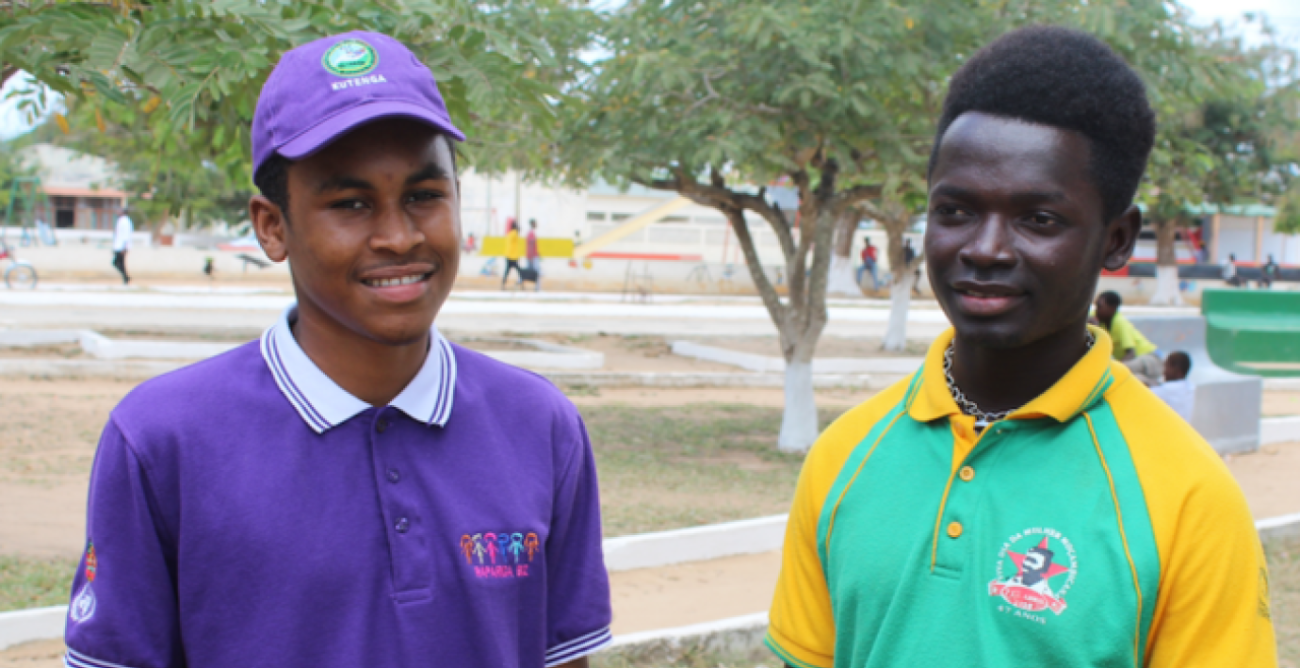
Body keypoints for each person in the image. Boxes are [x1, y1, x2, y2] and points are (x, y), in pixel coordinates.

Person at [64, 32, 611, 668]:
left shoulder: (539, 424)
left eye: (424, 196)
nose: (399, 237)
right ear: (272, 226)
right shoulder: (162, 439)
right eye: (351, 204)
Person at [765, 26, 1275, 668]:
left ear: (1117, 239)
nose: (985, 249)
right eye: (956, 211)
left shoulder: (1190, 498)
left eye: (1039, 219)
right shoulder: (845, 455)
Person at [1093, 291, 1162, 386]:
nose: (1096, 310)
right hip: (1136, 362)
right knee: (1119, 373)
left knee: (1114, 371)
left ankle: (1154, 384)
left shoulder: (1119, 323)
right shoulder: (1099, 319)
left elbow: (1131, 353)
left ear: (1112, 308)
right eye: (1096, 306)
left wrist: (1117, 365)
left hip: (1149, 359)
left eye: (1100, 306)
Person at [1151, 351, 1194, 422]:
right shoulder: (1189, 387)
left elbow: (1143, 394)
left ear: (1178, 371)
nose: (1163, 372)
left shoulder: (1169, 389)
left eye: (1166, 367)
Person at [111, 207, 133, 285]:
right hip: (118, 246)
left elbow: (126, 235)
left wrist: (124, 247)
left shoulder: (125, 221)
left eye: (119, 211)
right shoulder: (120, 220)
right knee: (119, 263)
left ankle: (126, 278)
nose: (117, 212)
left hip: (122, 246)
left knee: (117, 263)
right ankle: (126, 278)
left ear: (123, 212)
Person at [503, 219, 524, 289]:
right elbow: (519, 229)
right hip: (513, 257)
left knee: (507, 271)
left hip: (509, 256)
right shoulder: (514, 234)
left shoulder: (510, 233)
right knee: (519, 271)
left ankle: (503, 284)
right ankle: (522, 285)